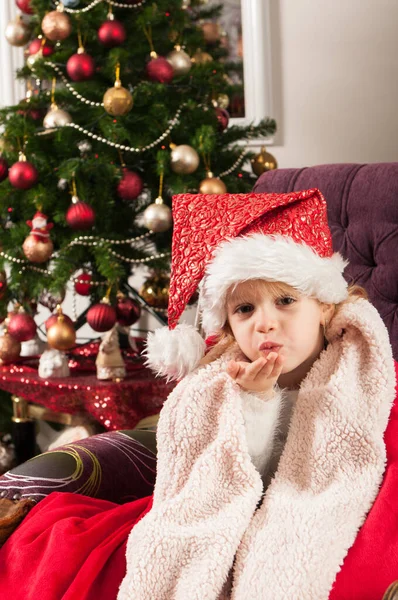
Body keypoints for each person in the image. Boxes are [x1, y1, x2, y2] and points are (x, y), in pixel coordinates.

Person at [0, 188, 397, 600]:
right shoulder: (223, 382)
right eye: (245, 310)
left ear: (326, 307)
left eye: (285, 301)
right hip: (243, 508)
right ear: (227, 326)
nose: (265, 323)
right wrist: (256, 401)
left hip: (322, 514)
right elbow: (240, 476)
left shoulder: (362, 379)